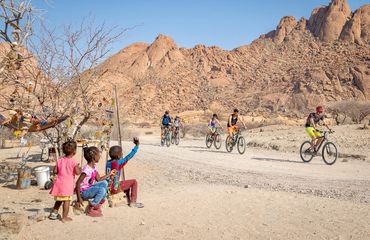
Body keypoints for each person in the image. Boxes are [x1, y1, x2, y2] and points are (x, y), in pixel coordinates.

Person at [75, 146, 116, 217]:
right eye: (98, 155)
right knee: (102, 190)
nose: (100, 156)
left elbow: (99, 179)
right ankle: (92, 207)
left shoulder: (94, 167)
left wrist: (110, 174)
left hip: (89, 188)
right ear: (94, 157)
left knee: (104, 183)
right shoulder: (86, 170)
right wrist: (79, 198)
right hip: (84, 192)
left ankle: (99, 201)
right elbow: (78, 183)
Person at [106, 137, 143, 208]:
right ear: (118, 156)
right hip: (114, 188)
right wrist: (137, 146)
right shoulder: (118, 163)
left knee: (124, 183)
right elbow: (128, 157)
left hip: (108, 188)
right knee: (133, 182)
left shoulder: (108, 162)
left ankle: (127, 199)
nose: (122, 154)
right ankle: (133, 202)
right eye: (121, 153)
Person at [49, 140, 81, 222]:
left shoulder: (59, 160)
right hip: (67, 185)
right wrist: (79, 169)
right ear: (74, 151)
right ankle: (64, 217)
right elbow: (77, 173)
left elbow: (55, 171)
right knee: (66, 201)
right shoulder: (74, 161)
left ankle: (53, 214)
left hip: (59, 184)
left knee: (59, 199)